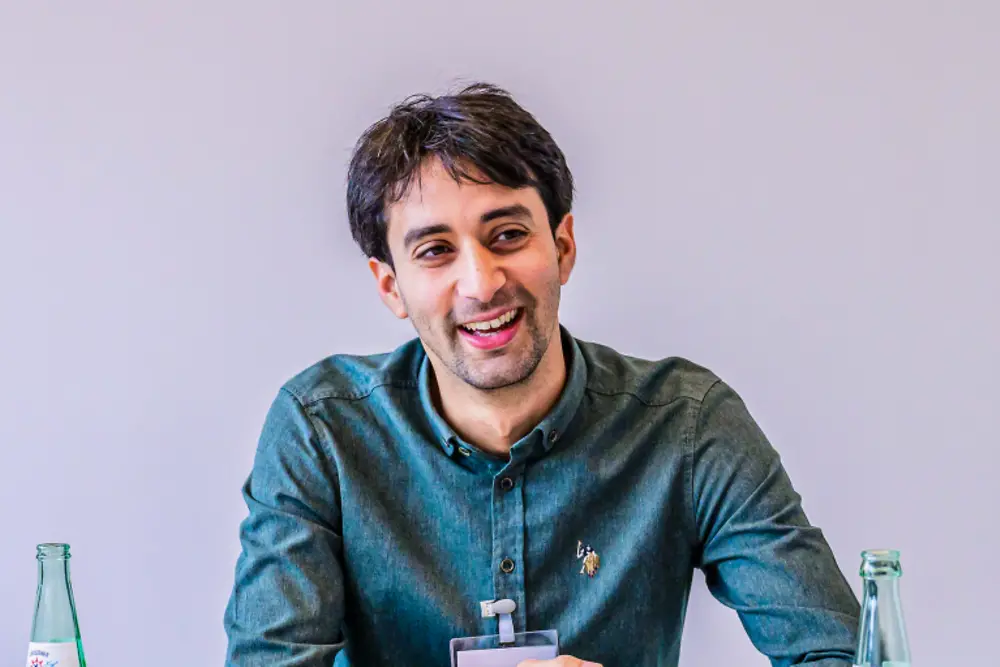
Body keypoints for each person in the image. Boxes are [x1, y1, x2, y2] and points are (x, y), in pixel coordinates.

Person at [223, 83, 860, 667]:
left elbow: (840, 659)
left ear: (562, 248)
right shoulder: (320, 431)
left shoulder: (689, 425)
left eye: (505, 235)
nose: (481, 284)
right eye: (436, 252)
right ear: (391, 286)